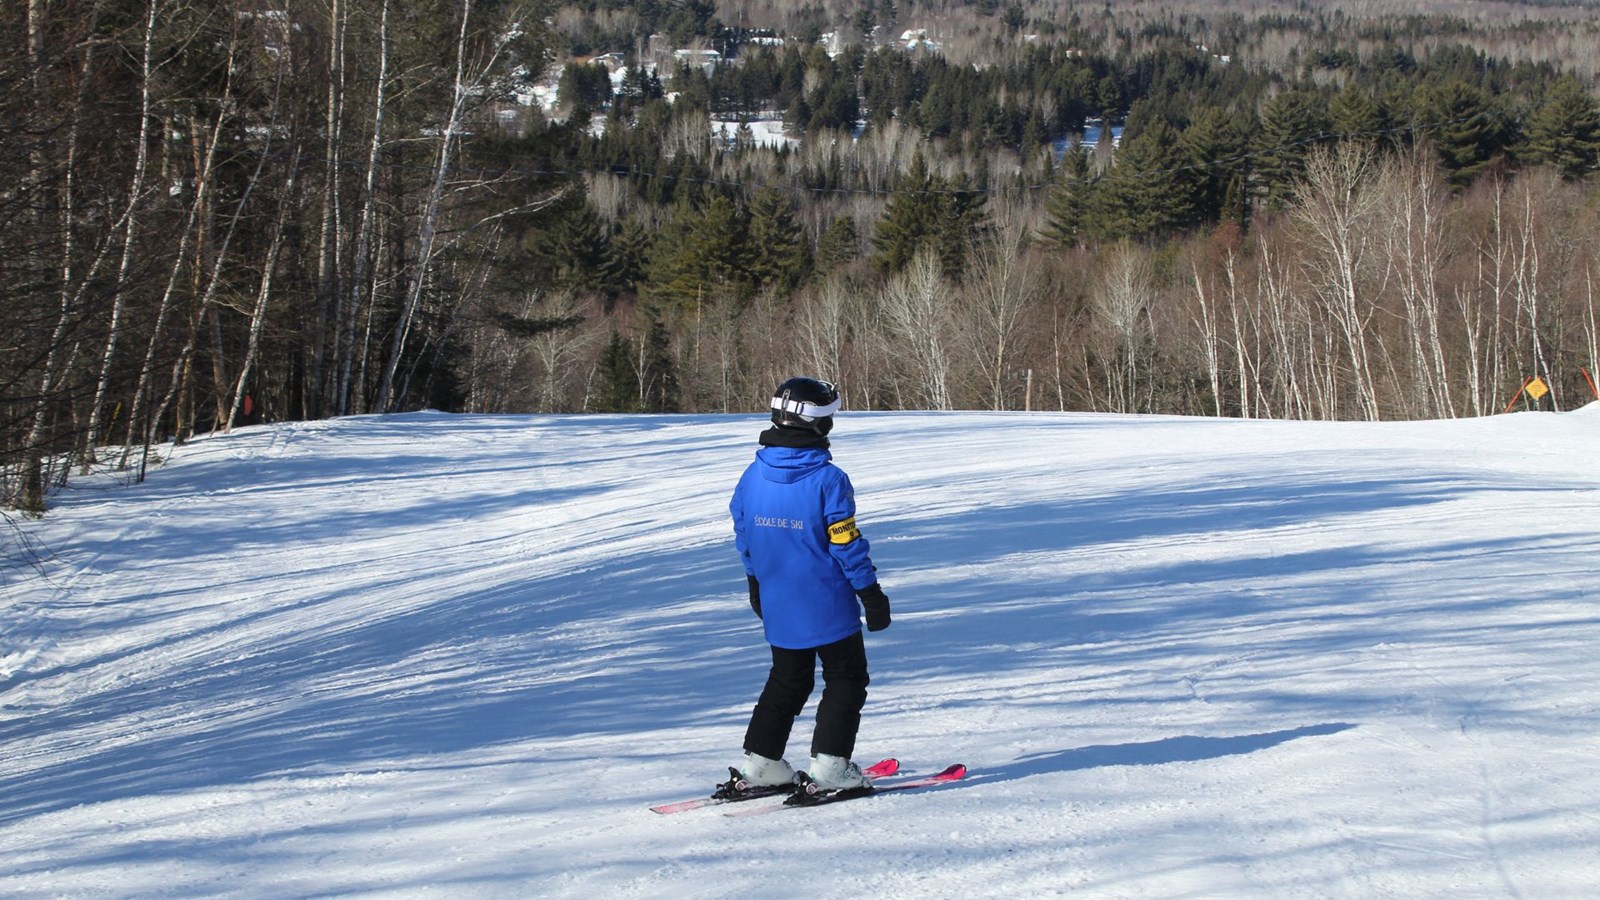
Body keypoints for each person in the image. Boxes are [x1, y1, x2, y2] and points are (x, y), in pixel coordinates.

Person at [725, 376, 893, 796]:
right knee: (846, 676)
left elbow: (744, 532)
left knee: (788, 678)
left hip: (779, 597)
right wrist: (869, 592)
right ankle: (831, 767)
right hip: (827, 600)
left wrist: (755, 581)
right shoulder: (829, 479)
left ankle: (762, 763)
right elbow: (845, 543)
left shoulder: (752, 475)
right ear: (818, 425)